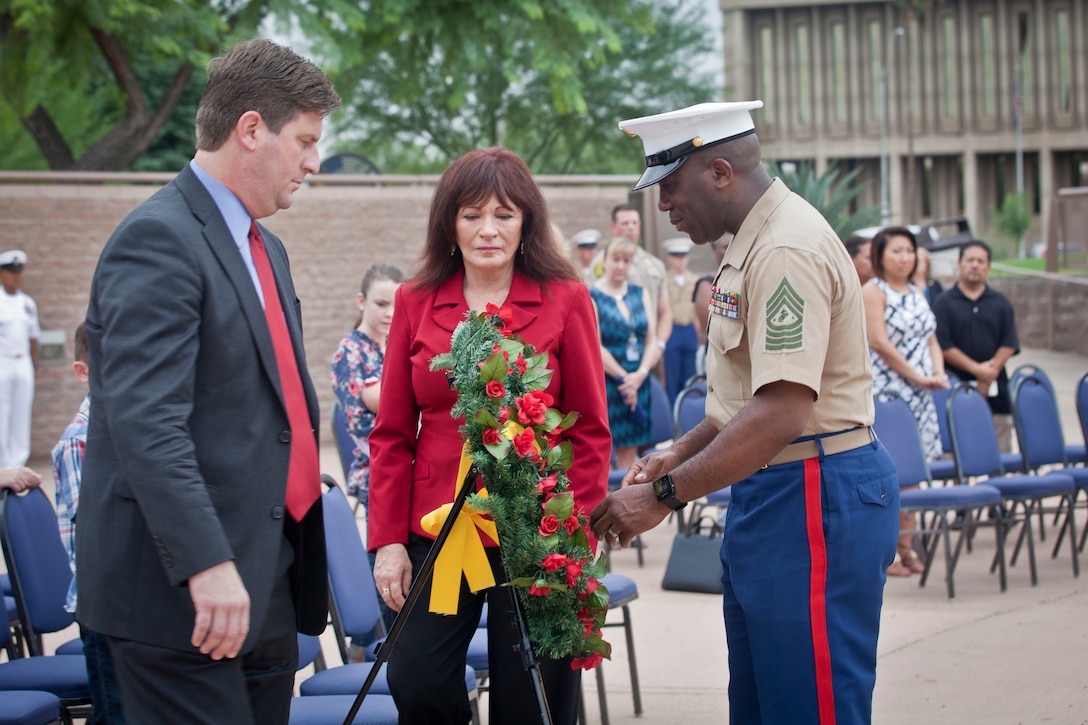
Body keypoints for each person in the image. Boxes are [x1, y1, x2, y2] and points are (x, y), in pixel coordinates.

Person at [589, 101, 899, 724]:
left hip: (812, 492)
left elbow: (782, 410)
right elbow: (741, 400)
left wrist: (664, 497)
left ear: (721, 172)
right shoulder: (748, 245)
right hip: (775, 490)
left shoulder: (785, 247)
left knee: (808, 706)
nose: (663, 205)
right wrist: (679, 452)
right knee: (766, 703)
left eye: (671, 186)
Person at [76, 39, 340, 724]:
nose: (315, 161)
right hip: (185, 595)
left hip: (268, 577)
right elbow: (146, 422)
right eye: (306, 140)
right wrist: (206, 563)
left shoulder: (267, 248)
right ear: (251, 129)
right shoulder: (158, 239)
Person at [367, 147, 610, 725]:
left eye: (504, 214)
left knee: (532, 701)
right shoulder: (414, 300)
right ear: (449, 222)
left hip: (535, 530)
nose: (487, 230)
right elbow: (392, 433)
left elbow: (592, 429)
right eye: (471, 214)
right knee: (415, 678)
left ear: (526, 221)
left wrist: (574, 531)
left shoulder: (566, 298)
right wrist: (387, 542)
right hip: (437, 527)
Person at [862, 226, 949, 577]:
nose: (904, 257)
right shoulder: (873, 290)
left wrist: (937, 374)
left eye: (909, 251)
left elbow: (931, 339)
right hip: (890, 393)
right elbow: (879, 342)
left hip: (921, 392)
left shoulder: (916, 291)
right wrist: (916, 376)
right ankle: (888, 555)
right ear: (880, 255)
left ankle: (907, 546)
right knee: (890, 474)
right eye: (896, 251)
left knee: (913, 476)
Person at [52, 322, 124, 724]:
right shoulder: (82, 440)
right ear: (84, 372)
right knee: (117, 713)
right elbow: (99, 536)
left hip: (132, 605)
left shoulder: (129, 429)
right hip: (106, 608)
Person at [932, 240, 1020, 451]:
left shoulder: (1000, 302)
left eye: (981, 261)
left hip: (995, 389)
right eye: (970, 259)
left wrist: (989, 372)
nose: (975, 265)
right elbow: (942, 343)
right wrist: (976, 370)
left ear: (988, 267)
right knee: (955, 451)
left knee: (1000, 448)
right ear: (959, 264)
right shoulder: (943, 303)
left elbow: (1009, 342)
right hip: (955, 387)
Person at [330, 263, 405, 508]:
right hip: (377, 469)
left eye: (396, 305)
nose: (390, 313)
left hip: (408, 460)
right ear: (361, 301)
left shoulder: (396, 345)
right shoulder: (349, 352)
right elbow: (359, 425)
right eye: (381, 304)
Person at [590, 237, 658, 472]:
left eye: (626, 261)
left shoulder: (640, 293)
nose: (620, 265)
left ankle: (628, 501)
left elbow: (651, 339)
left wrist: (639, 374)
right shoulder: (593, 295)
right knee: (606, 450)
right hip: (610, 382)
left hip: (639, 380)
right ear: (605, 261)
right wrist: (623, 378)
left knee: (631, 450)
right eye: (616, 260)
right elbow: (595, 345)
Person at [594, 205, 674, 359]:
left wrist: (659, 345)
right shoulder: (600, 263)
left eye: (634, 223)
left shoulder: (655, 265)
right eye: (625, 223)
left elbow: (665, 312)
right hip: (612, 352)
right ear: (613, 227)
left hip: (650, 349)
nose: (630, 228)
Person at [0, 249, 39, 469]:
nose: (16, 276)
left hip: (22, 361)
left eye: (19, 272)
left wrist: (33, 365)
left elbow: (34, 336)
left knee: (21, 411)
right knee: (2, 411)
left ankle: (18, 460)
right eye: (10, 272)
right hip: (2, 360)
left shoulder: (27, 303)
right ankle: (3, 462)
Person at [663, 237, 698, 401]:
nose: (681, 260)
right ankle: (673, 418)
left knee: (690, 375)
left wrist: (697, 333)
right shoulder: (664, 280)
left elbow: (697, 309)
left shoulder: (694, 279)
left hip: (689, 328)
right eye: (676, 256)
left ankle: (688, 412)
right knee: (672, 375)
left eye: (683, 256)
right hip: (672, 328)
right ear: (670, 258)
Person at [692, 233, 732, 376]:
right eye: (725, 247)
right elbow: (712, 320)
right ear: (714, 250)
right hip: (717, 355)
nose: (730, 251)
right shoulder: (706, 283)